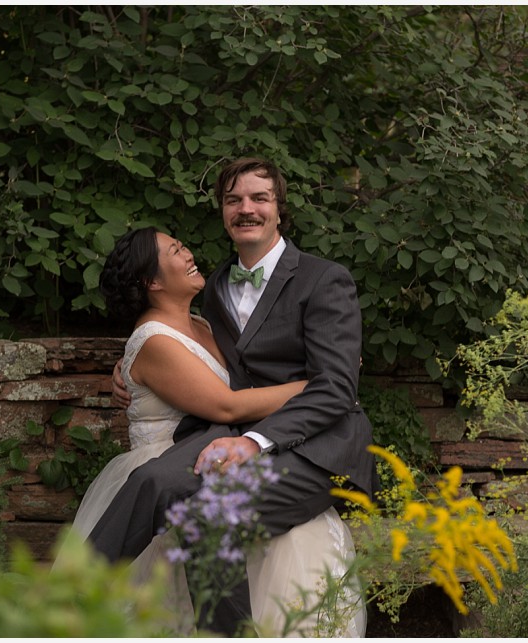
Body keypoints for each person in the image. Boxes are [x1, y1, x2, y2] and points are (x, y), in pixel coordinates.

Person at [89, 157, 377, 635]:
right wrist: (127, 368)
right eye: (234, 199)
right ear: (223, 211)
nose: (247, 209)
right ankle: (70, 593)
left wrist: (254, 442)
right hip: (231, 434)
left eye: (259, 198)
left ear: (279, 210)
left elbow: (336, 389)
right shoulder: (216, 285)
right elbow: (187, 345)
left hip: (314, 446)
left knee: (205, 519)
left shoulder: (324, 279)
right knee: (153, 481)